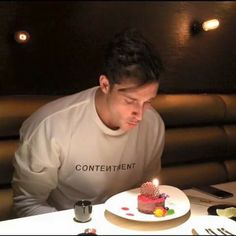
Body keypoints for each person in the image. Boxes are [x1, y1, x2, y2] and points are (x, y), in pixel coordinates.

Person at [12, 28, 165, 217]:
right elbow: (27, 204)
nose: (140, 115)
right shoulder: (50, 125)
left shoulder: (154, 125)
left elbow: (146, 194)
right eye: (130, 101)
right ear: (105, 85)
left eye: (148, 101)